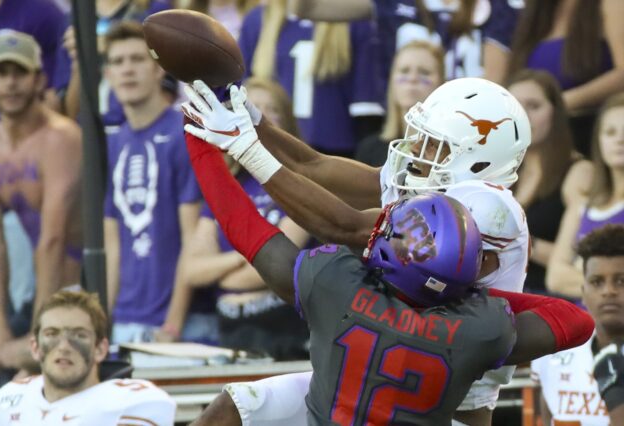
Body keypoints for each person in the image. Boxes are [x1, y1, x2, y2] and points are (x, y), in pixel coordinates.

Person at [182, 128, 594, 425]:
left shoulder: (338, 286)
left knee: (233, 407)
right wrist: (460, 290)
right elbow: (576, 321)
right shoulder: (480, 328)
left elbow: (246, 229)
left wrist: (201, 144)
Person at [159, 77, 310, 356]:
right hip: (229, 329)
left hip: (282, 329)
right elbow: (192, 270)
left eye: (270, 109)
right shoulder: (227, 186)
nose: (258, 117)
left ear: (285, 121)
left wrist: (222, 272)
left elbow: (279, 268)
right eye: (251, 108)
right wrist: (248, 255)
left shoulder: (298, 183)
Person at [101, 21, 209, 344]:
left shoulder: (184, 134)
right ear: (107, 75)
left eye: (137, 59)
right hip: (123, 320)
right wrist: (103, 322)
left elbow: (193, 239)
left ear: (159, 69)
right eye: (117, 62)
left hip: (181, 325)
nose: (127, 70)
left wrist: (172, 326)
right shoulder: (113, 141)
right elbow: (112, 244)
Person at [0, 30, 83, 378]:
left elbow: (53, 239)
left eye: (20, 72)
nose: (11, 83)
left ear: (39, 78)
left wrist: (41, 333)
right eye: (2, 72)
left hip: (79, 291)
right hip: (29, 299)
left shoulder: (61, 137)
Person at [0, 290, 176, 424]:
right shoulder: (11, 398)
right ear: (35, 347)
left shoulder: (132, 401)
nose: (64, 347)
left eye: (79, 335)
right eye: (52, 334)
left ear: (100, 349)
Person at [238, 0, 384, 156]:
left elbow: (365, 105)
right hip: (270, 150)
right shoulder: (258, 19)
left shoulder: (354, 20)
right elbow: (238, 92)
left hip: (335, 154)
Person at [290, 0, 521, 84]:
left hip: (468, 127)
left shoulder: (497, 7)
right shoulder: (397, 3)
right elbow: (308, 7)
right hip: (406, 126)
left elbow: (495, 82)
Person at [531, 224, 624, 425]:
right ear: (584, 291)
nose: (609, 291)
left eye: (621, 281)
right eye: (597, 282)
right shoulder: (554, 352)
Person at [509, 0, 624, 157]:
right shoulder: (537, 12)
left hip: (587, 135)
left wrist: (562, 102)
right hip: (538, 142)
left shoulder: (611, 4)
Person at [506, 69, 584, 294]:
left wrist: (516, 240)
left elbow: (576, 261)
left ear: (556, 113)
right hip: (499, 296)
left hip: (547, 298)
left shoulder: (578, 171)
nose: (523, 116)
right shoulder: (497, 170)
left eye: (534, 106)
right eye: (515, 107)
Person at [547, 92, 624, 299]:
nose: (620, 139)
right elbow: (555, 277)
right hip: (583, 324)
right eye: (610, 132)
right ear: (598, 141)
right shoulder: (583, 204)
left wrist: (582, 271)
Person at [354, 40, 445, 167]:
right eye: (404, 71)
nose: (412, 78)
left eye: (424, 72)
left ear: (441, 82)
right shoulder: (369, 149)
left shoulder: (450, 151)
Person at [0, 0, 68, 122]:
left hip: (33, 132)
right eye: (1, 73)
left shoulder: (40, 11)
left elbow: (62, 92)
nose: (10, 82)